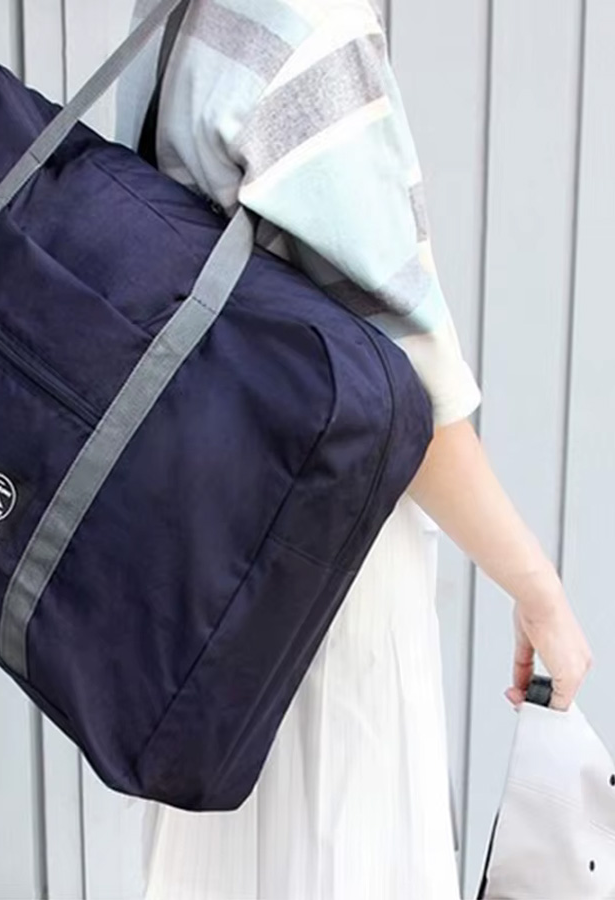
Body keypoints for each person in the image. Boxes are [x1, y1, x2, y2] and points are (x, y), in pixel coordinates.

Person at [114, 1, 594, 897]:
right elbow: (411, 400)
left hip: (208, 563)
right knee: (339, 852)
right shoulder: (315, 31)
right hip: (318, 579)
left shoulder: (175, 10)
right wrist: (540, 591)